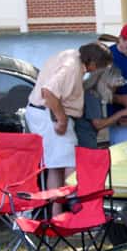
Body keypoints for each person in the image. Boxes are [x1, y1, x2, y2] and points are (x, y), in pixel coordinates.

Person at [26, 43, 114, 213]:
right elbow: (49, 92)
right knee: (71, 164)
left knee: (56, 166)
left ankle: (56, 216)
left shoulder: (70, 55)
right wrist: (62, 119)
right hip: (50, 114)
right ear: (94, 64)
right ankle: (78, 210)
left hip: (42, 112)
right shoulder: (72, 67)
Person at [75, 50, 127, 149]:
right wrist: (122, 113)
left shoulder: (94, 94)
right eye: (113, 86)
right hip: (85, 142)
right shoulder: (92, 95)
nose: (115, 90)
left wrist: (117, 121)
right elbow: (98, 124)